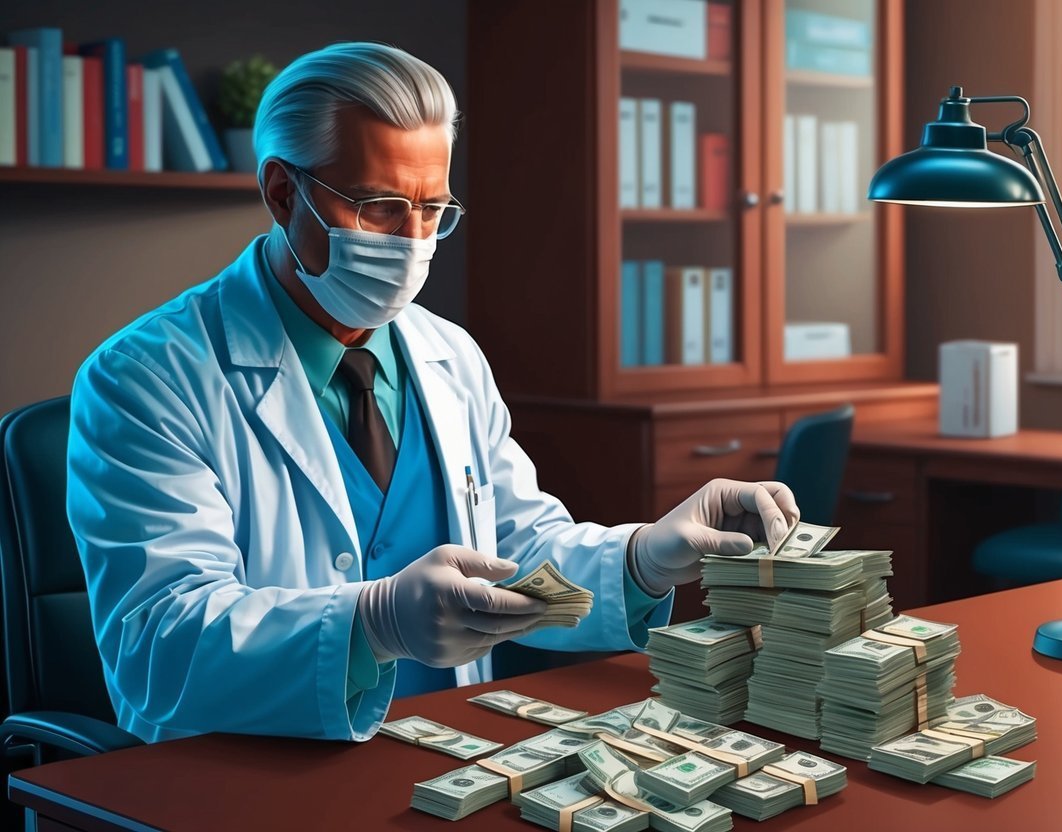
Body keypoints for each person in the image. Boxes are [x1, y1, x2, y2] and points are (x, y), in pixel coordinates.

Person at [66, 42, 799, 744]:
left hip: (445, 749)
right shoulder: (145, 378)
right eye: (380, 206)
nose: (412, 241)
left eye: (433, 210)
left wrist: (642, 557)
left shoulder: (448, 354)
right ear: (283, 192)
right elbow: (157, 644)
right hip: (247, 773)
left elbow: (518, 553)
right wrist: (373, 623)